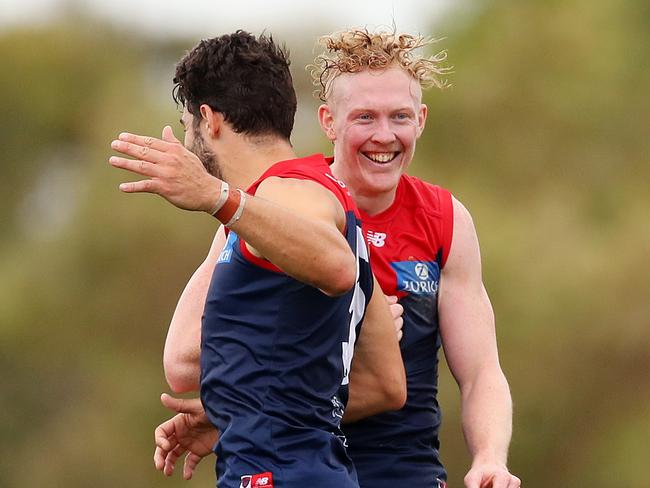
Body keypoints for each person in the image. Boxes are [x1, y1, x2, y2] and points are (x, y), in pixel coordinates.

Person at [153, 28, 521, 488]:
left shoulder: (444, 220)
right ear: (328, 121)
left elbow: (479, 372)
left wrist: (490, 458)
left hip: (400, 472)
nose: (384, 136)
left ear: (421, 120)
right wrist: (248, 409)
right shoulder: (270, 204)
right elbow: (186, 363)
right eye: (365, 117)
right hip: (306, 462)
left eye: (400, 117)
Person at [109, 31, 406, 488]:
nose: (190, 141)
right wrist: (247, 413)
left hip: (280, 476)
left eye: (187, 124)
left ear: (208, 121)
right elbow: (387, 385)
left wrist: (216, 197)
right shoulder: (299, 203)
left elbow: (336, 267)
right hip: (309, 470)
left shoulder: (286, 191)